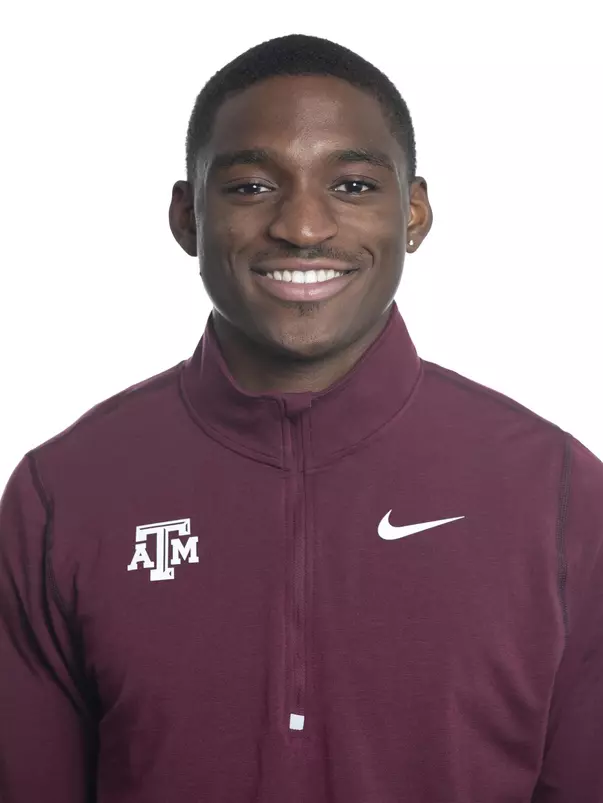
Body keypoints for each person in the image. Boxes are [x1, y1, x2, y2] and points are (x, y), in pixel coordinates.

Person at [0, 32, 601, 803]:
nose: (304, 227)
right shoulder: (63, 493)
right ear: (186, 216)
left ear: (413, 213)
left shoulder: (556, 494)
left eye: (351, 185)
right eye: (251, 186)